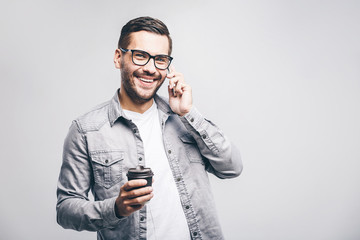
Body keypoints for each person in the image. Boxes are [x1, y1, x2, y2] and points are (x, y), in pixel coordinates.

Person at [56, 16, 243, 240]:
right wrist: (115, 208)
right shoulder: (86, 130)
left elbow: (232, 167)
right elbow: (65, 210)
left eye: (160, 59)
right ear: (118, 57)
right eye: (141, 56)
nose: (151, 69)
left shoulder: (184, 118)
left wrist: (188, 113)